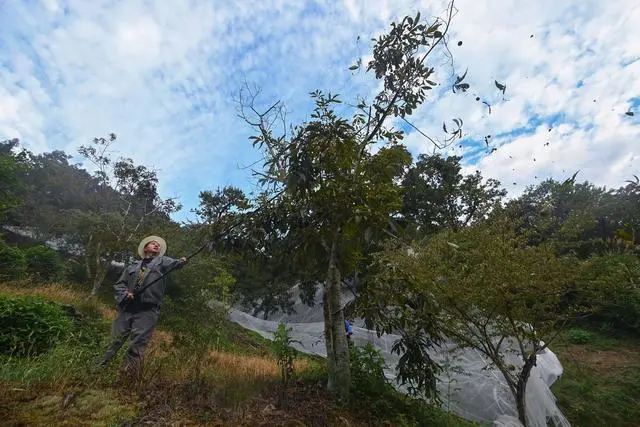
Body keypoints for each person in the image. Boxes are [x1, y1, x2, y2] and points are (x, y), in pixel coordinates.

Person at [98, 235, 188, 372]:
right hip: (127, 308)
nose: (156, 246)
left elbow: (175, 264)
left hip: (147, 310)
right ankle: (98, 368)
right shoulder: (132, 266)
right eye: (153, 244)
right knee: (114, 340)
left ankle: (128, 377)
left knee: (137, 345)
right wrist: (125, 294)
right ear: (145, 248)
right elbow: (120, 284)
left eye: (158, 245)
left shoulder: (162, 262)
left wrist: (181, 261)